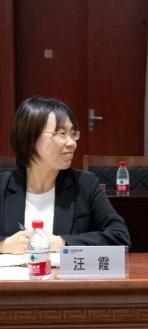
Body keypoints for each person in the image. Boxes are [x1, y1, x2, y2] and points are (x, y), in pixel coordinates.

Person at [0, 96, 131, 254]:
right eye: (62, 133)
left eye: (73, 134)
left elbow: (120, 237)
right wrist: (3, 245)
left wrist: (63, 242)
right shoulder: (3, 185)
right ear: (30, 137)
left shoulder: (84, 184)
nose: (72, 143)